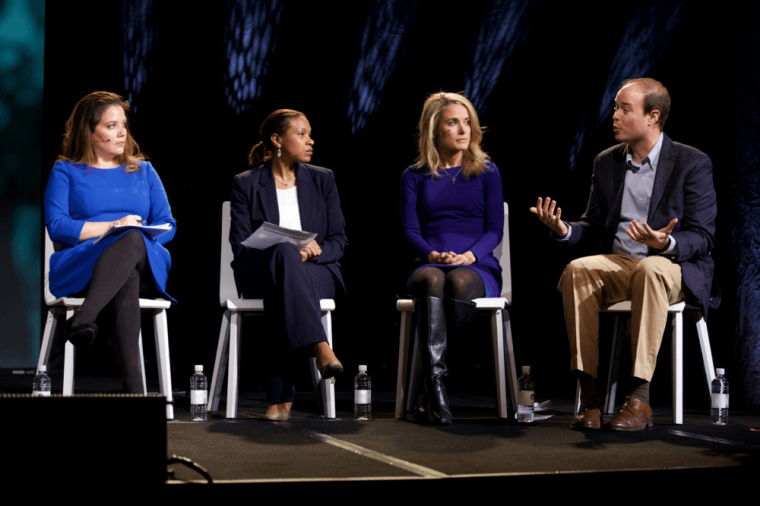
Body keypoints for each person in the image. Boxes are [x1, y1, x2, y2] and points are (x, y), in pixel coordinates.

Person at [531, 78, 719, 430]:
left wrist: (666, 243)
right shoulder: (607, 162)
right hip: (620, 263)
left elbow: (703, 236)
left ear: (653, 116)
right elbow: (592, 224)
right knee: (577, 269)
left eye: (623, 108)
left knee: (650, 268)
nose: (614, 115)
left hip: (672, 267)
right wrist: (564, 230)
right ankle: (590, 397)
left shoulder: (692, 163)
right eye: (615, 107)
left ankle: (640, 398)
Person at [44, 91, 177, 393]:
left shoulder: (144, 171)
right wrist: (114, 226)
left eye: (124, 125)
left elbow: (168, 224)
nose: (121, 133)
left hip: (144, 258)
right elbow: (58, 226)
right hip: (84, 265)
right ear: (89, 132)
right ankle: (135, 391)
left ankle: (85, 317)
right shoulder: (66, 171)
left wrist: (138, 232)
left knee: (131, 240)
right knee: (124, 270)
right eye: (111, 126)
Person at [229, 109, 347, 421]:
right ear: (278, 140)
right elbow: (240, 247)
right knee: (282, 254)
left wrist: (308, 253)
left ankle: (279, 397)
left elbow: (338, 240)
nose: (311, 140)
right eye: (302, 134)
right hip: (259, 272)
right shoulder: (247, 183)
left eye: (310, 134)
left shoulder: (323, 179)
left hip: (317, 272)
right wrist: (288, 247)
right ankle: (320, 346)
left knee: (287, 282)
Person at [400, 92, 504, 424]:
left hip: (477, 265)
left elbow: (494, 229)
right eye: (453, 122)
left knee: (458, 280)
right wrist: (431, 253)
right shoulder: (414, 175)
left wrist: (470, 256)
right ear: (435, 130)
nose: (464, 129)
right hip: (430, 261)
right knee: (432, 278)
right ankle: (435, 384)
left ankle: (437, 383)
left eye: (467, 122)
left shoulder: (487, 172)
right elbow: (409, 229)